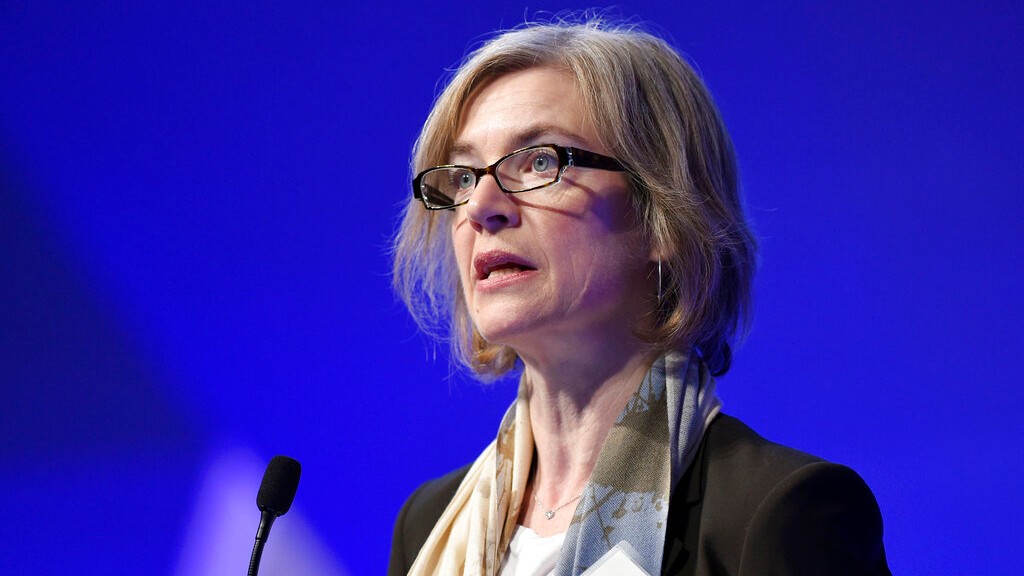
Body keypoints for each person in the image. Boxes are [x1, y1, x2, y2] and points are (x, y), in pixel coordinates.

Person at [389, 18, 891, 576]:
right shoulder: (428, 524)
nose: (481, 207)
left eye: (539, 161)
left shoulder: (777, 515)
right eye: (462, 177)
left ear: (665, 218)